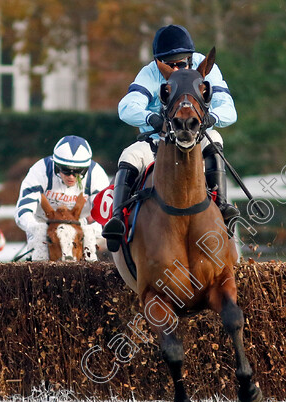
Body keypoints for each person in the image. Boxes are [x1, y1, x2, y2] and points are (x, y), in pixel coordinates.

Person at [102, 24, 240, 252]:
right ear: (159, 62)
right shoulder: (150, 72)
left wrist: (211, 118)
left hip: (196, 137)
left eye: (180, 63)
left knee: (215, 139)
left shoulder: (206, 68)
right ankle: (117, 220)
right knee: (129, 155)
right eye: (169, 64)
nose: (175, 69)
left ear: (191, 58)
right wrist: (151, 118)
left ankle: (222, 205)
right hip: (160, 141)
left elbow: (229, 110)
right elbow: (126, 107)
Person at [14, 135, 110, 260]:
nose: (71, 177)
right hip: (43, 222)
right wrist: (35, 228)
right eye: (65, 170)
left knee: (90, 253)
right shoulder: (40, 170)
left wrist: (91, 230)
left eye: (78, 171)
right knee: (40, 254)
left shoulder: (97, 175)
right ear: (56, 165)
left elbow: (106, 216)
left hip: (78, 224)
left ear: (86, 168)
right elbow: (23, 210)